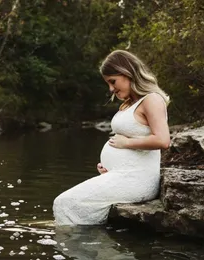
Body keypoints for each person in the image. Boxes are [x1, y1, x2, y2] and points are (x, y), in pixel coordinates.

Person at [53, 50, 170, 226]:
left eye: (112, 81)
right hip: (122, 175)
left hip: (138, 180)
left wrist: (127, 143)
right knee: (70, 206)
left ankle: (90, 249)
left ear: (128, 73)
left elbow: (163, 140)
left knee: (64, 203)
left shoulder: (151, 99)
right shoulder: (129, 104)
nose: (111, 89)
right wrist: (111, 168)